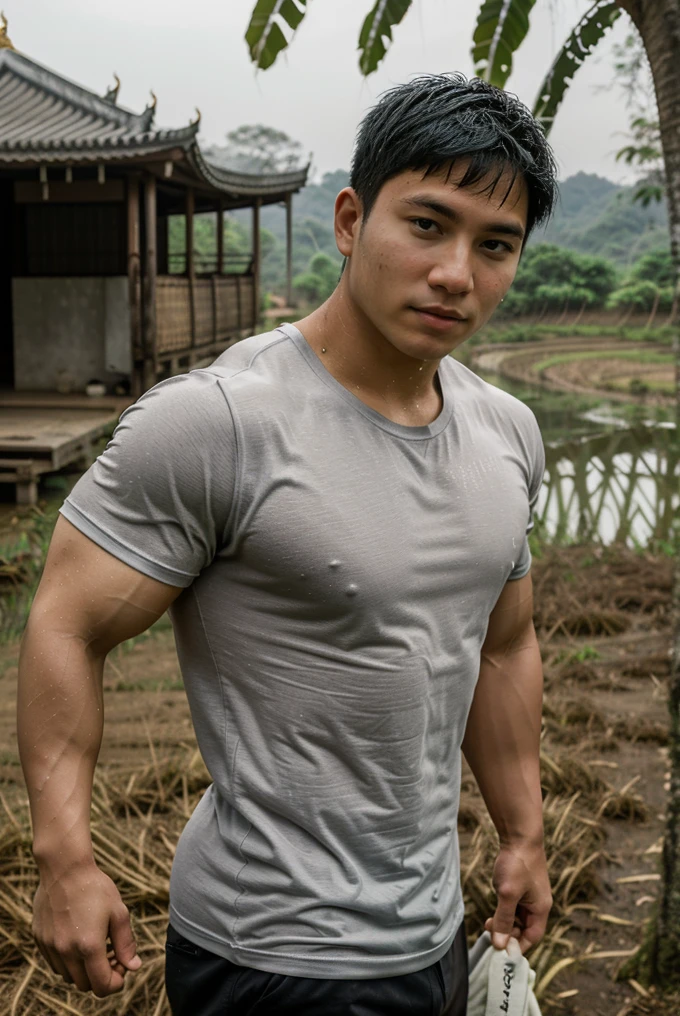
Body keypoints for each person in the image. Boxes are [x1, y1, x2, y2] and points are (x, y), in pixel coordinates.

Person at [17, 72, 557, 1015]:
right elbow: (66, 624)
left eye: (495, 244)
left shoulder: (508, 432)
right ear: (351, 220)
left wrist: (523, 831)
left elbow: (502, 645)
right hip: (267, 953)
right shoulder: (219, 423)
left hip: (436, 929)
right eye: (427, 225)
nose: (458, 273)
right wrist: (65, 858)